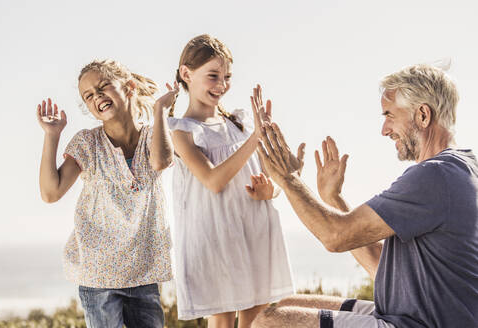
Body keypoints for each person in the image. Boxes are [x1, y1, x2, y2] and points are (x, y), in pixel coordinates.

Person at [253, 64, 478, 328]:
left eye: (390, 115)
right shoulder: (460, 169)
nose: (384, 129)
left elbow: (335, 236)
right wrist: (333, 199)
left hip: (419, 323)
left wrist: (286, 178)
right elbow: (380, 266)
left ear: (423, 115)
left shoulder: (435, 176)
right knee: (284, 305)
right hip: (412, 315)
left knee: (271, 322)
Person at [167, 34, 305, 328]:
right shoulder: (183, 132)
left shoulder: (239, 123)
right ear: (186, 74)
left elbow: (269, 177)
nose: (222, 84)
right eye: (213, 76)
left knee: (258, 318)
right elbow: (213, 181)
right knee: (223, 318)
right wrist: (256, 137)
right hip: (215, 238)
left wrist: (273, 191)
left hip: (253, 228)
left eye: (227, 76)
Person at [36, 59, 178, 328]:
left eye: (103, 87)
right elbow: (50, 193)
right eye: (88, 96)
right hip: (98, 276)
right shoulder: (87, 143)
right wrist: (52, 135)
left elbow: (160, 162)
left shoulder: (152, 137)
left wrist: (160, 110)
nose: (97, 97)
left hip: (144, 272)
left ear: (129, 88)